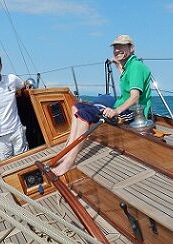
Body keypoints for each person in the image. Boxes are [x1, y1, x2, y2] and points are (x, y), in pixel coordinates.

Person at [52, 34, 152, 176]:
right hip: (123, 105)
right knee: (76, 107)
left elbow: (135, 97)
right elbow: (128, 82)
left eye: (121, 46)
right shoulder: (129, 66)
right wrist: (118, 66)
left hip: (133, 112)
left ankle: (69, 162)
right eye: (115, 47)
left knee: (83, 116)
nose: (117, 50)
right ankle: (66, 151)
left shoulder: (136, 67)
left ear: (131, 48)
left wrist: (116, 111)